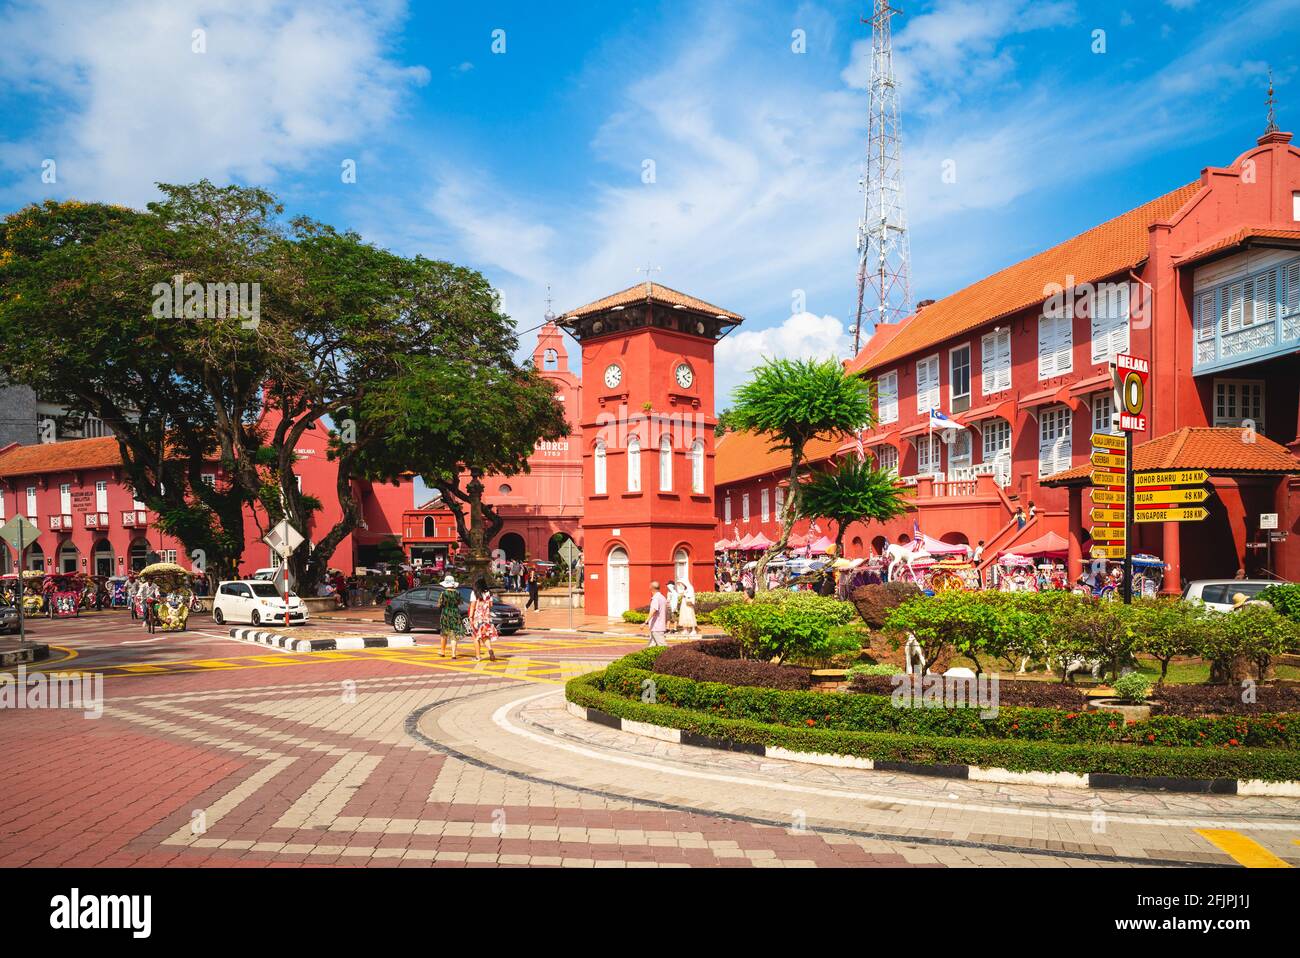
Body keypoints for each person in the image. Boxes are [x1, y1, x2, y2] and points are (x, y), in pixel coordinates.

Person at [468, 579, 498, 662]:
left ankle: (478, 656)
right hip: (487, 617)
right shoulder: (488, 593)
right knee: (485, 635)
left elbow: (472, 606)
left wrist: (470, 617)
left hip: (477, 618)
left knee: (475, 637)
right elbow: (491, 605)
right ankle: (490, 649)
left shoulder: (474, 593)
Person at [438, 575, 464, 659]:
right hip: (455, 613)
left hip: (445, 613)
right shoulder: (457, 593)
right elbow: (460, 603)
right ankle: (453, 654)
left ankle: (442, 651)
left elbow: (439, 604)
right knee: (454, 634)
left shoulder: (443, 593)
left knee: (444, 633)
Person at [646, 581, 668, 647]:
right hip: (658, 626)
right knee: (651, 646)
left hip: (657, 626)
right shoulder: (662, 597)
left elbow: (653, 610)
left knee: (662, 646)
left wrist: (645, 621)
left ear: (651, 588)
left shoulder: (656, 598)